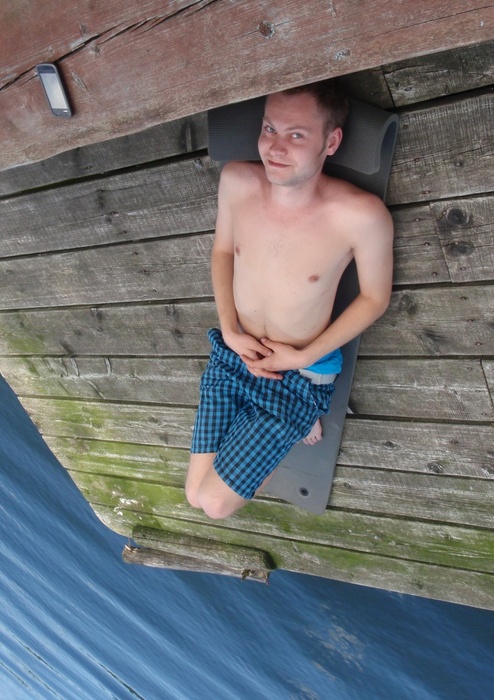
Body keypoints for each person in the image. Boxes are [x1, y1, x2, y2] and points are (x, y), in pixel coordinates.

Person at [186, 80, 394, 520]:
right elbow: (223, 252)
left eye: (296, 135)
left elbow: (375, 297)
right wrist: (229, 329)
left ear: (330, 142)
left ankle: (296, 424)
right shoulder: (237, 181)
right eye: (269, 129)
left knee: (215, 505)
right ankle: (275, 437)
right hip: (234, 354)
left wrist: (302, 357)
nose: (275, 147)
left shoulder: (360, 215)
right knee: (193, 495)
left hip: (297, 376)